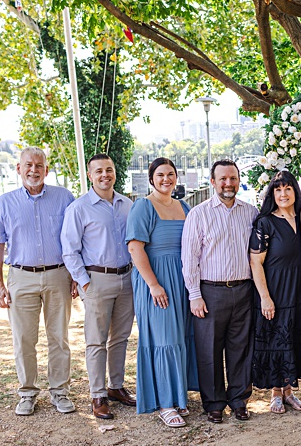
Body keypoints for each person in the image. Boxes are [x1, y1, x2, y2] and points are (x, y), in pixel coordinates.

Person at [0, 146, 77, 417]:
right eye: (28, 165)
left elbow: (75, 240)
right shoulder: (4, 203)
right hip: (21, 277)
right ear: (18, 169)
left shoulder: (65, 198)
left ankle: (59, 391)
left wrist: (74, 275)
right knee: (24, 339)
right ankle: (27, 393)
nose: (33, 170)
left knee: (59, 337)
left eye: (39, 165)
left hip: (58, 275)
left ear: (46, 170)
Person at [180, 159, 257, 422]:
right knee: (209, 350)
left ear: (238, 180)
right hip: (210, 292)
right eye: (223, 178)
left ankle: (239, 400)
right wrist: (194, 294)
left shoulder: (251, 212)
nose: (228, 183)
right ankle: (213, 403)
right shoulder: (198, 214)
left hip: (243, 289)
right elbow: (189, 258)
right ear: (213, 182)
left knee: (241, 348)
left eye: (233, 178)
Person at [61, 154, 136, 421]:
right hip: (96, 280)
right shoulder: (79, 208)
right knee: (96, 341)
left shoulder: (127, 205)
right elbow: (69, 250)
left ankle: (116, 387)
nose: (105, 175)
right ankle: (98, 395)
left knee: (121, 338)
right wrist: (84, 281)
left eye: (110, 169)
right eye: (99, 171)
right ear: (90, 176)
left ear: (115, 172)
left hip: (127, 278)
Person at [127, 158, 200, 427]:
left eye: (170, 174)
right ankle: (166, 404)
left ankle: (180, 397)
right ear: (151, 178)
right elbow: (135, 248)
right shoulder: (143, 206)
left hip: (181, 280)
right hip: (156, 281)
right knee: (163, 340)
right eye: (160, 175)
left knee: (181, 336)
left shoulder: (184, 206)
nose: (166, 179)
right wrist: (154, 285)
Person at [248, 170, 301, 414]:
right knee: (277, 340)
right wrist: (265, 297)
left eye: (287, 189)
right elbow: (256, 262)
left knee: (295, 339)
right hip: (275, 290)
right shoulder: (265, 222)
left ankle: (289, 391)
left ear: (295, 191)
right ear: (272, 194)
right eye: (278, 190)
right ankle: (276, 393)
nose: (283, 194)